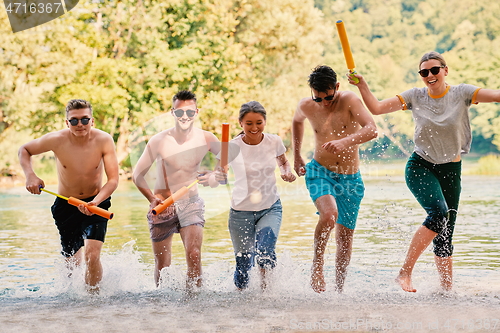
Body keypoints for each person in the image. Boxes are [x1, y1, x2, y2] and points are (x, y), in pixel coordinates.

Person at [347, 51, 500, 292]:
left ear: (445, 71)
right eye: (424, 72)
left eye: (434, 70)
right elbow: (376, 108)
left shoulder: (463, 93)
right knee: (439, 215)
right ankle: (404, 274)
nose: (429, 75)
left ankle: (446, 292)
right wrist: (363, 84)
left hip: (452, 170)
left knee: (445, 231)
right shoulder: (415, 97)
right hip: (421, 166)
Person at [18, 99, 119, 293]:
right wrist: (30, 175)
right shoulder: (56, 139)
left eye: (84, 119)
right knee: (72, 263)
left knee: (92, 255)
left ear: (92, 121)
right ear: (67, 123)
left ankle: (93, 298)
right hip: (66, 205)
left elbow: (113, 180)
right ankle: (72, 301)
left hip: (97, 201)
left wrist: (95, 202)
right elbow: (25, 150)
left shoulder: (104, 140)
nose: (79, 124)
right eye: (74, 121)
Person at [292, 65, 378, 293]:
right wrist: (297, 154)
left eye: (329, 97)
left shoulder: (349, 99)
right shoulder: (306, 105)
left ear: (337, 87)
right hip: (319, 171)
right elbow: (297, 121)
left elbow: (372, 129)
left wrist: (345, 141)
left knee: (344, 240)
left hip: (351, 178)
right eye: (319, 98)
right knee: (329, 215)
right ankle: (317, 267)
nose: (325, 103)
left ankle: (339, 290)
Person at [132, 90, 220, 289]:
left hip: (191, 203)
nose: (185, 117)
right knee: (163, 266)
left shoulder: (207, 138)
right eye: (179, 113)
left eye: (189, 112)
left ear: (196, 112)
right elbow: (138, 175)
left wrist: (214, 176)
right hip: (162, 206)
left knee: (194, 254)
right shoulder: (159, 140)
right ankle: (164, 309)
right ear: (172, 113)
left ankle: (194, 305)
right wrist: (151, 198)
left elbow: (224, 165)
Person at [216, 101, 296, 291]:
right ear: (240, 123)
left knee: (265, 251)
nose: (254, 127)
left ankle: (266, 294)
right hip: (240, 212)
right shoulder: (230, 146)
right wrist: (219, 174)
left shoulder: (274, 141)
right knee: (243, 267)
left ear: (265, 122)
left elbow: (284, 163)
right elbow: (219, 174)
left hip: (270, 207)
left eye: (259, 122)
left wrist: (287, 172)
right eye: (249, 123)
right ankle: (240, 297)